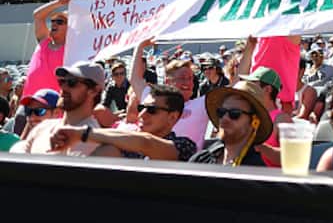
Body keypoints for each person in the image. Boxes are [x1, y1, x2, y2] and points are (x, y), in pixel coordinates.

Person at [49, 84, 196, 161]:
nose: (142, 114)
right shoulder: (125, 147)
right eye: (141, 107)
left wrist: (82, 133)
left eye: (152, 110)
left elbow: (147, 144)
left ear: (172, 117)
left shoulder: (184, 146)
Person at [10, 61, 103, 156]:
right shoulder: (44, 126)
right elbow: (18, 151)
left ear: (94, 91)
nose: (63, 87)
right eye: (62, 81)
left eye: (72, 82)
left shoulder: (90, 138)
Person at [131, 38, 209, 150]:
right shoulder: (153, 99)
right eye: (182, 78)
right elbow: (135, 79)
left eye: (190, 78)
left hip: (187, 164)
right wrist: (140, 46)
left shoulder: (202, 104)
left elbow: (234, 86)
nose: (188, 83)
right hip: (153, 161)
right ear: (168, 81)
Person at [189, 80, 271, 166]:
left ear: (254, 123)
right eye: (221, 112)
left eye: (234, 113)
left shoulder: (255, 172)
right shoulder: (200, 160)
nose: (225, 118)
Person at [240, 66, 292, 166]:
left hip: (269, 179)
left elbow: (290, 159)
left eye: (253, 85)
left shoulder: (282, 119)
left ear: (268, 89)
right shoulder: (247, 113)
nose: (248, 88)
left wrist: (258, 146)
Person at [22, 0, 71, 97]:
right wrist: (58, 3)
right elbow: (38, 15)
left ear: (70, 27)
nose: (54, 24)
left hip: (53, 106)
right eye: (53, 21)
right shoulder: (44, 41)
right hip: (29, 100)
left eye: (60, 22)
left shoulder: (71, 47)